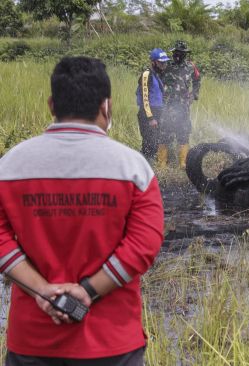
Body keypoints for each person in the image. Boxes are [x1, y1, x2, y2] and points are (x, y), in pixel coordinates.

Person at [0, 57, 164, 364]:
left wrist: (43, 291)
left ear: (52, 104)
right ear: (106, 106)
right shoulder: (134, 169)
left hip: (33, 341)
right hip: (113, 343)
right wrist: (87, 291)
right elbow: (144, 246)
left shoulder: (9, 166)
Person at [159, 40, 201, 169]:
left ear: (185, 54)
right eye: (175, 52)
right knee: (164, 133)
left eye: (181, 53)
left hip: (183, 106)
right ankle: (162, 164)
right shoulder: (166, 66)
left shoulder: (191, 67)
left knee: (183, 133)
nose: (177, 55)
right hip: (167, 105)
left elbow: (197, 80)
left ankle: (183, 163)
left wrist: (193, 95)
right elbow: (156, 80)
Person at [136, 48, 169, 161]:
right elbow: (145, 98)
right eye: (161, 62)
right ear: (153, 62)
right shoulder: (146, 74)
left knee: (155, 143)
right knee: (149, 143)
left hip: (157, 112)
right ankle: (143, 166)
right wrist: (150, 118)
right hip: (148, 114)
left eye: (165, 62)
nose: (163, 65)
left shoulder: (157, 75)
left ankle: (149, 168)